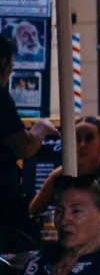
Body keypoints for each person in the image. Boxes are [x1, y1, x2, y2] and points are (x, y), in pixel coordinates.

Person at [0, 36, 55, 249]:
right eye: (11, 65)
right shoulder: (1, 99)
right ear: (4, 63)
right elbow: (24, 147)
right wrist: (40, 130)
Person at [28, 120, 100, 218]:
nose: (82, 145)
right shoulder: (60, 174)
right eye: (77, 138)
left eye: (89, 139)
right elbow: (33, 211)